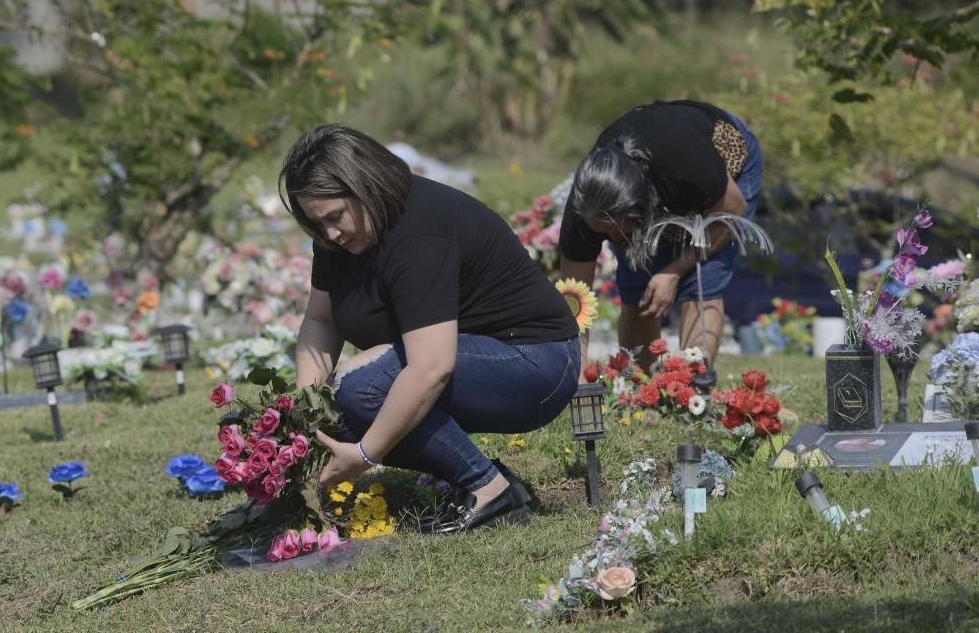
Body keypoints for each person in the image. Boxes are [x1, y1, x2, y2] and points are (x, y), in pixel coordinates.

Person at [280, 124, 580, 533]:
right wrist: (305, 412)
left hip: (535, 362)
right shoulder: (337, 240)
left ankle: (491, 490)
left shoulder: (418, 232)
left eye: (335, 217)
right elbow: (321, 319)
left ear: (364, 186)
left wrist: (366, 455)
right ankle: (479, 477)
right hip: (473, 359)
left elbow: (431, 367)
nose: (329, 234)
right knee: (332, 415)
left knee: (359, 388)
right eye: (317, 225)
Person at [558, 99, 763, 371]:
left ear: (638, 208)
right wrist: (578, 373)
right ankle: (642, 388)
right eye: (606, 235)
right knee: (640, 291)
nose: (617, 242)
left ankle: (692, 390)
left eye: (620, 232)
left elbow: (733, 213)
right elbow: (575, 300)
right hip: (657, 185)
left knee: (701, 280)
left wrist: (674, 271)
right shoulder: (584, 210)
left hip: (722, 180)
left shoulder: (687, 168)